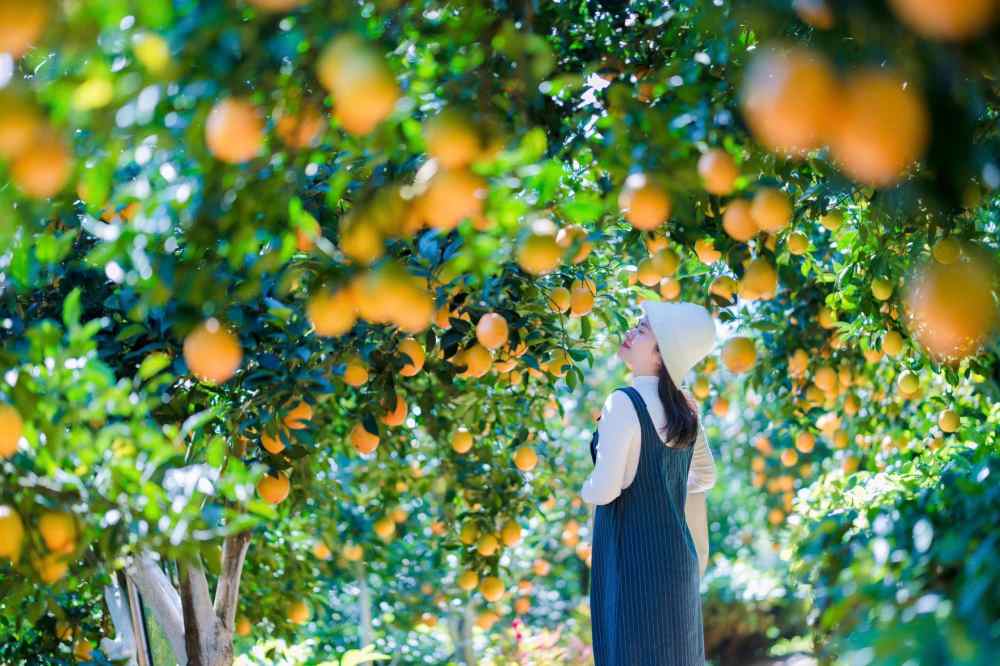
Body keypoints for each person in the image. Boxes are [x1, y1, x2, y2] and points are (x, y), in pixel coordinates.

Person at [582, 300, 718, 666]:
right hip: (676, 565)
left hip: (632, 566)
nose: (631, 331)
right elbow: (705, 475)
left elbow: (605, 489)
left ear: (659, 355)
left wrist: (586, 488)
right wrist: (663, 490)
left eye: (642, 329)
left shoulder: (622, 404)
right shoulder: (685, 410)